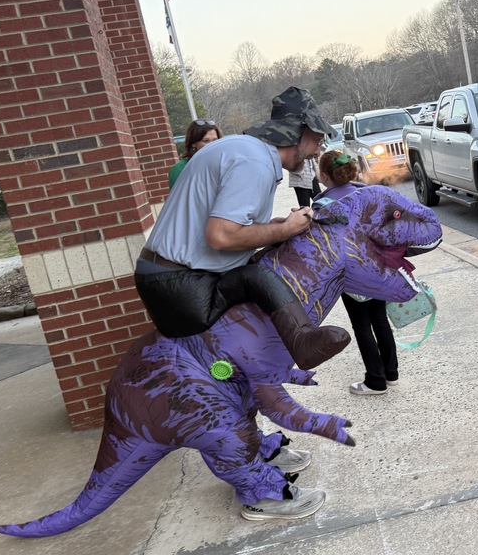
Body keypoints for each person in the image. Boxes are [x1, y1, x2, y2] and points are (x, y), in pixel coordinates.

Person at [135, 86, 351, 375]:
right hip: (181, 286)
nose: (317, 151)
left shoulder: (245, 151)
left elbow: (226, 227)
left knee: (258, 271)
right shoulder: (254, 162)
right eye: (316, 140)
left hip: (173, 277)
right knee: (257, 275)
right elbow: (221, 236)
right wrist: (284, 231)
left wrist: (271, 228)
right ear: (297, 132)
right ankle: (301, 341)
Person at [315, 149, 400, 396]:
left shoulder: (324, 204)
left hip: (350, 273)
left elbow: (325, 243)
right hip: (378, 265)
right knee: (380, 318)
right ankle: (391, 372)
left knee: (362, 324)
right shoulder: (366, 192)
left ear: (324, 175)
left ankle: (376, 380)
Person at [168, 119, 219, 189]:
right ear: (193, 143)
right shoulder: (180, 169)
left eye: (215, 140)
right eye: (206, 141)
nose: (212, 145)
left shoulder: (224, 164)